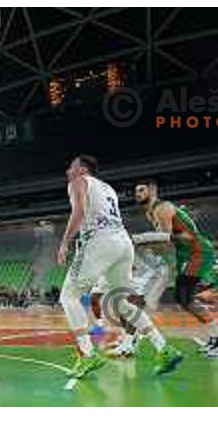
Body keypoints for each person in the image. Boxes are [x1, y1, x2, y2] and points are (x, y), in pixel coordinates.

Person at [57, 155, 182, 378]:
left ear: (82, 170)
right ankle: (164, 348)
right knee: (122, 304)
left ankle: (87, 354)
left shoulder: (78, 181)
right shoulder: (108, 189)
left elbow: (80, 211)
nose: (68, 170)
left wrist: (65, 241)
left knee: (68, 297)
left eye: (72, 167)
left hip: (99, 241)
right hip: (123, 243)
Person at [132, 179, 218, 355]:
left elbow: (167, 240)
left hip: (197, 252)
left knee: (184, 297)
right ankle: (214, 337)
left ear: (152, 190)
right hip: (186, 254)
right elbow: (168, 240)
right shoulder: (152, 213)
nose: (138, 194)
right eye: (136, 191)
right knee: (185, 299)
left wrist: (140, 241)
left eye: (142, 190)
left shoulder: (162, 208)